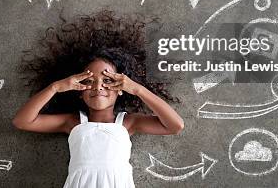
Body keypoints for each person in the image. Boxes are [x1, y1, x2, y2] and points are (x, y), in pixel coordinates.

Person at [12, 10, 184, 188]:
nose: (98, 86)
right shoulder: (72, 122)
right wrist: (55, 87)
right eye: (89, 81)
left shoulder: (128, 122)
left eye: (108, 80)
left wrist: (138, 89)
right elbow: (22, 121)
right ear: (78, 89)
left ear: (120, 88)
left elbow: (175, 126)